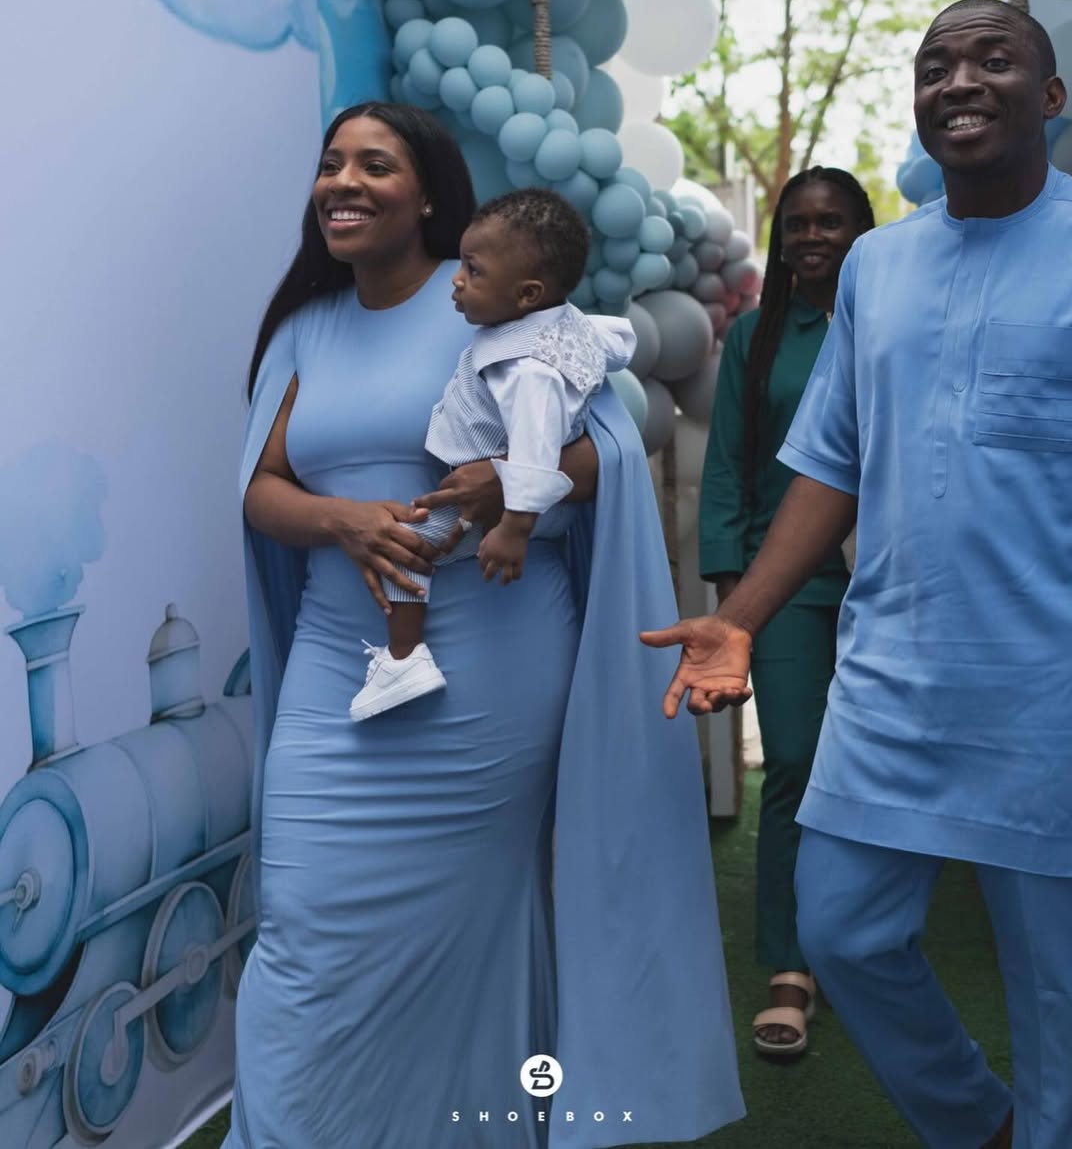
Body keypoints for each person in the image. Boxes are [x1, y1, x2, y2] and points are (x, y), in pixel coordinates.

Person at [226, 101, 744, 1148]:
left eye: (375, 164)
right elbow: (261, 489)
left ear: (428, 196)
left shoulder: (509, 310)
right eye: (331, 164)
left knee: (462, 924)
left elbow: (602, 463)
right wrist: (344, 521)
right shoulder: (302, 331)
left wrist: (513, 481)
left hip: (493, 671)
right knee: (300, 926)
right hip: (340, 670)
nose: (345, 182)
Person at [643, 0, 1072, 1149]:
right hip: (893, 677)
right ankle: (977, 1120)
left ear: (1051, 97)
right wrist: (737, 617)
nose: (960, 80)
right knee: (837, 927)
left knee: (1061, 996)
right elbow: (830, 467)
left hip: (1052, 685)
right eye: (936, 65)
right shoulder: (877, 268)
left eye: (996, 59)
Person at [699, 166, 874, 1058]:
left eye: (831, 222)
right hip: (788, 583)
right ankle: (791, 963)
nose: (813, 237)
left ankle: (870, 945)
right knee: (798, 762)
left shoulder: (890, 322)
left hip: (892, 581)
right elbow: (727, 464)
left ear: (861, 231)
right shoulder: (754, 338)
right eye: (798, 224)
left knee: (877, 767)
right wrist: (734, 602)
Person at [349, 187, 634, 722]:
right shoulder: (561, 325)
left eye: (474, 272)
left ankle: (404, 659)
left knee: (403, 549)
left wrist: (514, 528)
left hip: (480, 495)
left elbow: (532, 453)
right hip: (489, 491)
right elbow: (610, 342)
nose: (457, 280)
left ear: (527, 294)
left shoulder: (527, 370)